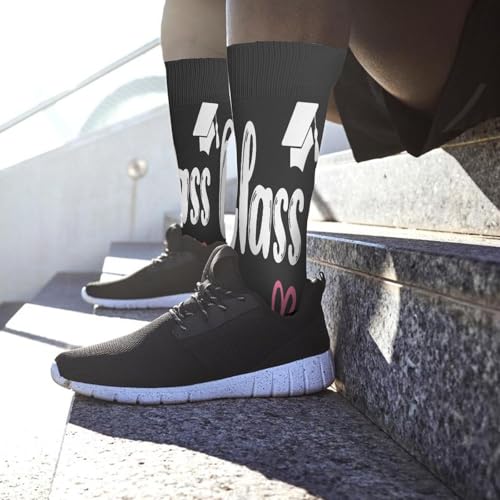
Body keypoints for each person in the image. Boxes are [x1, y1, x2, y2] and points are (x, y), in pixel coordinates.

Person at [51, 0, 499, 403]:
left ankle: (268, 294)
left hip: (468, 44)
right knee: (192, 5)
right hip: (365, 64)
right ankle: (201, 241)